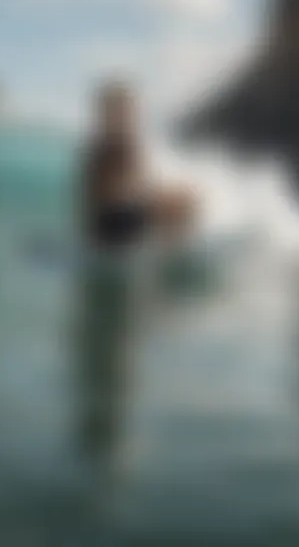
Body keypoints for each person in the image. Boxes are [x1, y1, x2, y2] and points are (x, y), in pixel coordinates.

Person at [75, 80, 196, 479]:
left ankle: (172, 248)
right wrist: (136, 199)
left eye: (126, 111)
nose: (123, 118)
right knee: (172, 202)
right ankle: (168, 252)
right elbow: (93, 201)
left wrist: (152, 198)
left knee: (185, 199)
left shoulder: (129, 146)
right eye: (116, 111)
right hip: (109, 230)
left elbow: (141, 188)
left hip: (122, 227)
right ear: (105, 114)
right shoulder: (99, 150)